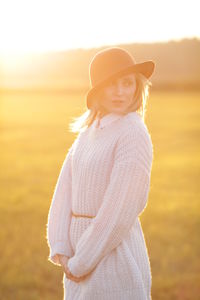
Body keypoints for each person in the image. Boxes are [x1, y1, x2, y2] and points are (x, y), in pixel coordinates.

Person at [46, 47, 155, 299]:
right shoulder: (89, 131)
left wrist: (82, 261)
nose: (120, 92)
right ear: (98, 90)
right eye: (111, 84)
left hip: (114, 258)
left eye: (127, 83)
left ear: (137, 87)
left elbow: (119, 210)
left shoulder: (132, 132)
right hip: (77, 259)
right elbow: (64, 192)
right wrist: (62, 247)